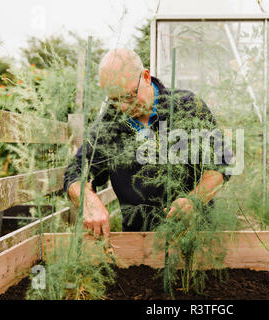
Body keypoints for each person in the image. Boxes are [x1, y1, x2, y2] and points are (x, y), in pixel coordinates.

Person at [63, 48, 231, 239]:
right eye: (114, 100)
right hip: (138, 245)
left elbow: (220, 165)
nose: (124, 107)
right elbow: (74, 173)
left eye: (128, 96)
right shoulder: (108, 126)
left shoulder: (188, 107)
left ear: (146, 77)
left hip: (197, 239)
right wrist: (89, 203)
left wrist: (194, 200)